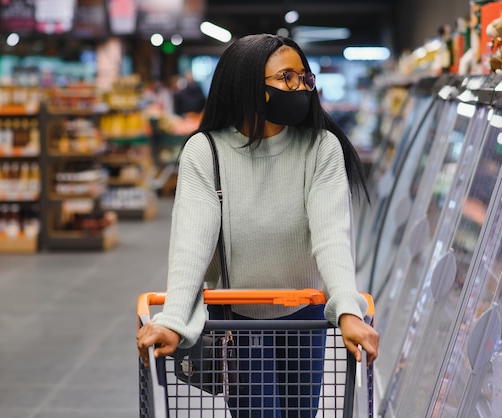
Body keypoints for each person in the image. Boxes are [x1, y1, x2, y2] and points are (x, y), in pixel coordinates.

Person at [137, 34, 379, 416]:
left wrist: (348, 310)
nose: (300, 86)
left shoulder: (321, 147)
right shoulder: (206, 152)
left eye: (304, 77)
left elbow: (332, 235)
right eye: (287, 77)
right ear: (249, 86)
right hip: (238, 323)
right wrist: (173, 320)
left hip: (306, 319)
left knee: (302, 413)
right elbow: (191, 244)